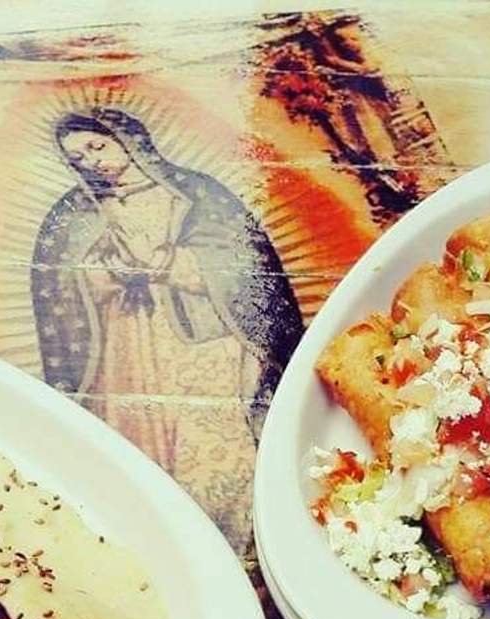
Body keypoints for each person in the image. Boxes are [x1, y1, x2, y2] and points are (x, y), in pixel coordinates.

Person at [31, 108, 304, 544]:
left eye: (97, 146)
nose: (92, 161)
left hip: (202, 343)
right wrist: (107, 272)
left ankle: (245, 542)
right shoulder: (73, 213)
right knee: (140, 454)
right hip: (124, 353)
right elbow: (58, 285)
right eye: (78, 158)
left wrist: (171, 264)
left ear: (128, 139)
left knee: (216, 451)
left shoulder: (198, 194)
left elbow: (243, 265)